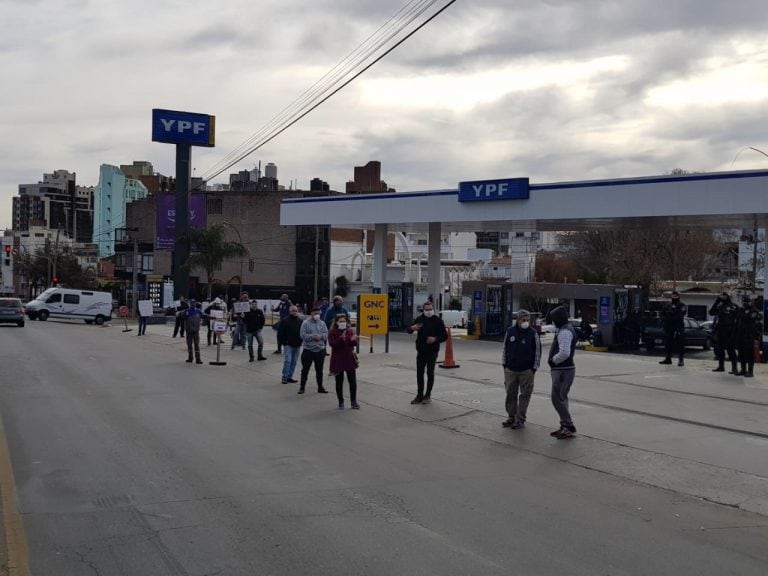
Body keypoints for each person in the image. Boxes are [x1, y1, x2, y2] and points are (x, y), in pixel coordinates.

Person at [501, 309, 541, 429]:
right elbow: (505, 348)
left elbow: (537, 352)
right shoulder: (510, 331)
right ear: (518, 320)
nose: (526, 322)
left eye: (528, 320)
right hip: (511, 369)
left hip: (526, 370)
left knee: (525, 395)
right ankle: (511, 416)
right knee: (510, 393)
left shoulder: (533, 333)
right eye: (523, 319)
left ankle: (520, 419)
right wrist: (505, 364)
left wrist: (534, 368)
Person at [406, 300, 448, 405]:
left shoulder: (438, 321)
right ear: (423, 310)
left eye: (430, 309)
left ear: (433, 309)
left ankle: (427, 395)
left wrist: (435, 339)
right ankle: (419, 395)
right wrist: (412, 328)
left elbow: (444, 336)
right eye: (427, 309)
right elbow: (408, 329)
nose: (429, 311)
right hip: (421, 351)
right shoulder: (420, 319)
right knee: (419, 373)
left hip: (432, 351)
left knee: (430, 373)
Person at [548, 305, 577, 439]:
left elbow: (564, 352)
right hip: (564, 369)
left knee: (557, 398)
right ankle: (564, 425)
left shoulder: (565, 332)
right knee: (562, 397)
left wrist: (554, 360)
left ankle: (568, 425)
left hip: (562, 370)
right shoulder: (564, 329)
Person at [329, 314, 359, 409]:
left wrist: (354, 340)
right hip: (338, 359)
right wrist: (341, 338)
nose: (343, 323)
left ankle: (353, 401)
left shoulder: (350, 330)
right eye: (340, 321)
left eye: (344, 321)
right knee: (339, 381)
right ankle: (340, 402)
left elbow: (352, 343)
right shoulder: (332, 332)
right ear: (336, 322)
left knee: (352, 381)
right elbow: (332, 344)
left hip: (349, 358)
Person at [298, 305, 329, 394]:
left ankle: (320, 387)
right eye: (316, 313)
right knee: (305, 369)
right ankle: (302, 387)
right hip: (308, 350)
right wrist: (313, 337)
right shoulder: (305, 323)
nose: (317, 315)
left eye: (319, 314)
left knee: (319, 370)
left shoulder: (322, 323)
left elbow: (326, 334)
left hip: (320, 350)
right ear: (311, 313)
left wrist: (321, 337)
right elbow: (302, 335)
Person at [709, 292, 739, 373]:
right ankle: (721, 366)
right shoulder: (720, 305)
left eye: (725, 296)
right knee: (720, 349)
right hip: (721, 330)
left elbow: (738, 318)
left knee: (730, 349)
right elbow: (711, 312)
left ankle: (734, 368)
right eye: (722, 296)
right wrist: (717, 301)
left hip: (730, 330)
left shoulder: (733, 306)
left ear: (728, 296)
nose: (723, 297)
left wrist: (735, 330)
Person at [736, 295, 762, 378]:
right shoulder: (741, 310)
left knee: (749, 354)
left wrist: (745, 314)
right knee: (741, 353)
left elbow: (749, 318)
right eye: (744, 302)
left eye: (747, 302)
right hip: (741, 334)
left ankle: (750, 371)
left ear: (750, 302)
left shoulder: (754, 311)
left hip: (749, 335)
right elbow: (739, 317)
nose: (745, 303)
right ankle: (743, 370)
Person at [659, 291, 687, 366]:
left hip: (678, 327)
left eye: (676, 296)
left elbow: (680, 315)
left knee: (680, 343)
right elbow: (662, 313)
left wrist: (670, 318)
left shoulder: (682, 305)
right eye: (673, 296)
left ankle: (681, 360)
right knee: (668, 343)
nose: (674, 297)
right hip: (669, 327)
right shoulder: (668, 305)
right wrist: (664, 319)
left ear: (678, 297)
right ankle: (668, 358)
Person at [277, 305, 303, 384]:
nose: (295, 312)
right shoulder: (285, 321)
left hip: (297, 345)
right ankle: (284, 377)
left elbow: (303, 332)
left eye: (296, 311)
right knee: (288, 361)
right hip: (288, 345)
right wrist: (283, 342)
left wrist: (301, 341)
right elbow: (280, 333)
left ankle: (289, 377)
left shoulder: (300, 321)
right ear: (290, 311)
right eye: (293, 311)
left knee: (294, 361)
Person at [184, 300, 204, 364]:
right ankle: (190, 358)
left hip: (196, 331)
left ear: (195, 304)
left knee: (196, 345)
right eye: (192, 303)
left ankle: (198, 359)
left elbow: (204, 315)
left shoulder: (198, 311)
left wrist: (213, 317)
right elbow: (181, 317)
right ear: (190, 304)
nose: (193, 304)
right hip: (189, 331)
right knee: (189, 345)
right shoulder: (187, 311)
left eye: (194, 303)